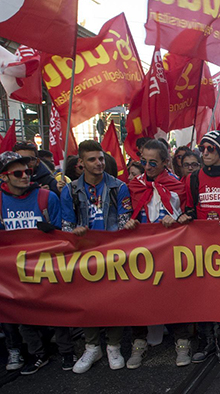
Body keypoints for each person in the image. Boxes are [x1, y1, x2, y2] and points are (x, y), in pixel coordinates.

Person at [59, 140, 132, 374]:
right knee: (87, 301)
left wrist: (128, 226)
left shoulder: (118, 187)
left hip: (113, 253)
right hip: (84, 255)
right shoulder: (69, 191)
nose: (99, 163)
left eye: (101, 158)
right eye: (92, 159)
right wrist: (75, 232)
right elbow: (66, 226)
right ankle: (92, 347)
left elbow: (123, 220)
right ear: (80, 163)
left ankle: (113, 346)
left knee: (115, 300)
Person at [0, 151, 75, 374]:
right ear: (4, 177)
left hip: (47, 265)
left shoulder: (46, 197)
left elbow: (64, 232)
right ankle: (38, 354)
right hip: (14, 269)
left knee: (57, 309)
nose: (25, 176)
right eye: (18, 173)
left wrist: (53, 231)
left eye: (28, 171)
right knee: (24, 315)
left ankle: (67, 352)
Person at [123, 139, 194, 368]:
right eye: (143, 161)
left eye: (153, 162)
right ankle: (139, 341)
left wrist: (176, 220)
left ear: (165, 162)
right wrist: (130, 223)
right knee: (138, 296)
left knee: (174, 295)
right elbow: (129, 213)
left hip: (170, 250)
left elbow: (187, 216)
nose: (147, 166)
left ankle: (182, 341)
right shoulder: (134, 184)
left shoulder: (178, 185)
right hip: (141, 250)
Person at [177, 131, 220, 365]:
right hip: (201, 248)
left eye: (210, 149)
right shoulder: (193, 178)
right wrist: (187, 216)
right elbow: (191, 207)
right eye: (202, 148)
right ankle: (204, 341)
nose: (204, 153)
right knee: (202, 295)